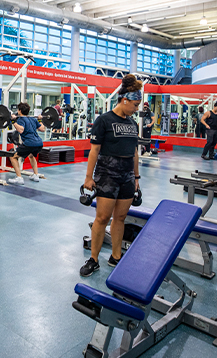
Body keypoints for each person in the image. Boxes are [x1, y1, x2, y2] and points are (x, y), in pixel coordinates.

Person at [80, 74, 141, 277]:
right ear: (124, 100)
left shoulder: (133, 124)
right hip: (107, 172)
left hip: (127, 175)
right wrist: (89, 178)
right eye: (134, 104)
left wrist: (137, 178)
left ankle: (116, 257)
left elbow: (134, 153)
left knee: (121, 217)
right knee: (102, 217)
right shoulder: (104, 120)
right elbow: (94, 151)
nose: (136, 108)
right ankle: (94, 259)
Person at [7, 102, 45, 185]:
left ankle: (19, 178)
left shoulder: (21, 119)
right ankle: (35, 175)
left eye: (18, 109)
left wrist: (13, 121)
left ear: (20, 111)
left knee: (13, 157)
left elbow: (21, 130)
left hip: (29, 143)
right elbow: (42, 129)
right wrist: (40, 120)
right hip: (39, 143)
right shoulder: (33, 119)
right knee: (31, 155)